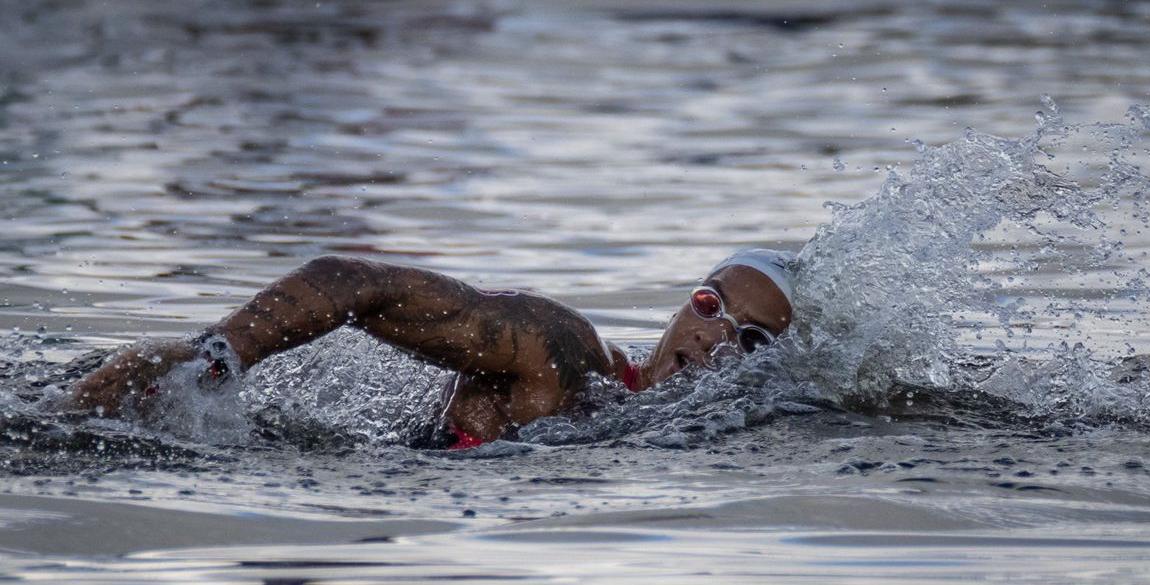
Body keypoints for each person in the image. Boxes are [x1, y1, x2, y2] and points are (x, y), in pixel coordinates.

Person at [69, 249, 795, 448]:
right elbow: (351, 279)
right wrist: (214, 361)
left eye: (752, 339)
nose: (715, 338)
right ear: (683, 303)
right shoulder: (565, 351)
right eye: (711, 304)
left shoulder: (682, 438)